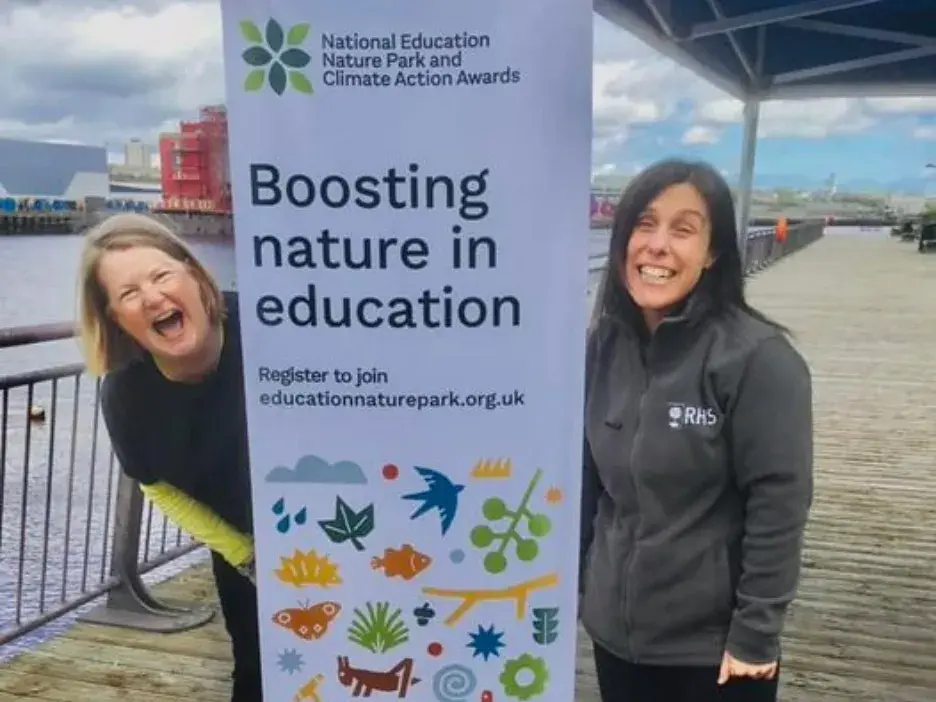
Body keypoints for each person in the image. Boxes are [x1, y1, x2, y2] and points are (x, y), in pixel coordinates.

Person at [579, 159, 813, 702]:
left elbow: (780, 504)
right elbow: (589, 480)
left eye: (682, 229)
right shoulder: (603, 347)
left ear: (712, 254)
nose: (657, 245)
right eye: (644, 223)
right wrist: (582, 589)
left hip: (711, 654)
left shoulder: (758, 360)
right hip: (616, 641)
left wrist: (756, 636)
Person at [76, 213, 262, 702]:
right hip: (243, 541)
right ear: (116, 318)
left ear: (196, 277)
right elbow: (156, 484)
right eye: (129, 293)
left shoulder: (269, 327)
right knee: (257, 668)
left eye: (161, 276)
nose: (153, 297)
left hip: (342, 525)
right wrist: (244, 554)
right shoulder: (125, 395)